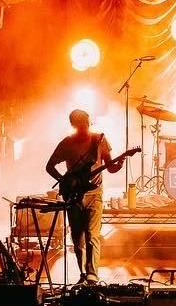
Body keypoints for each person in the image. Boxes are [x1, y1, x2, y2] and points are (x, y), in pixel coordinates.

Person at [45, 109, 129, 284]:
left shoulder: (99, 140)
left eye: (88, 124)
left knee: (92, 236)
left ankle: (92, 275)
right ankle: (83, 274)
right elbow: (49, 166)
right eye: (81, 125)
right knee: (77, 239)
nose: (86, 128)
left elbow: (110, 167)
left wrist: (119, 164)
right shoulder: (66, 143)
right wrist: (64, 180)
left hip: (94, 193)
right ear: (74, 125)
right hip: (73, 195)